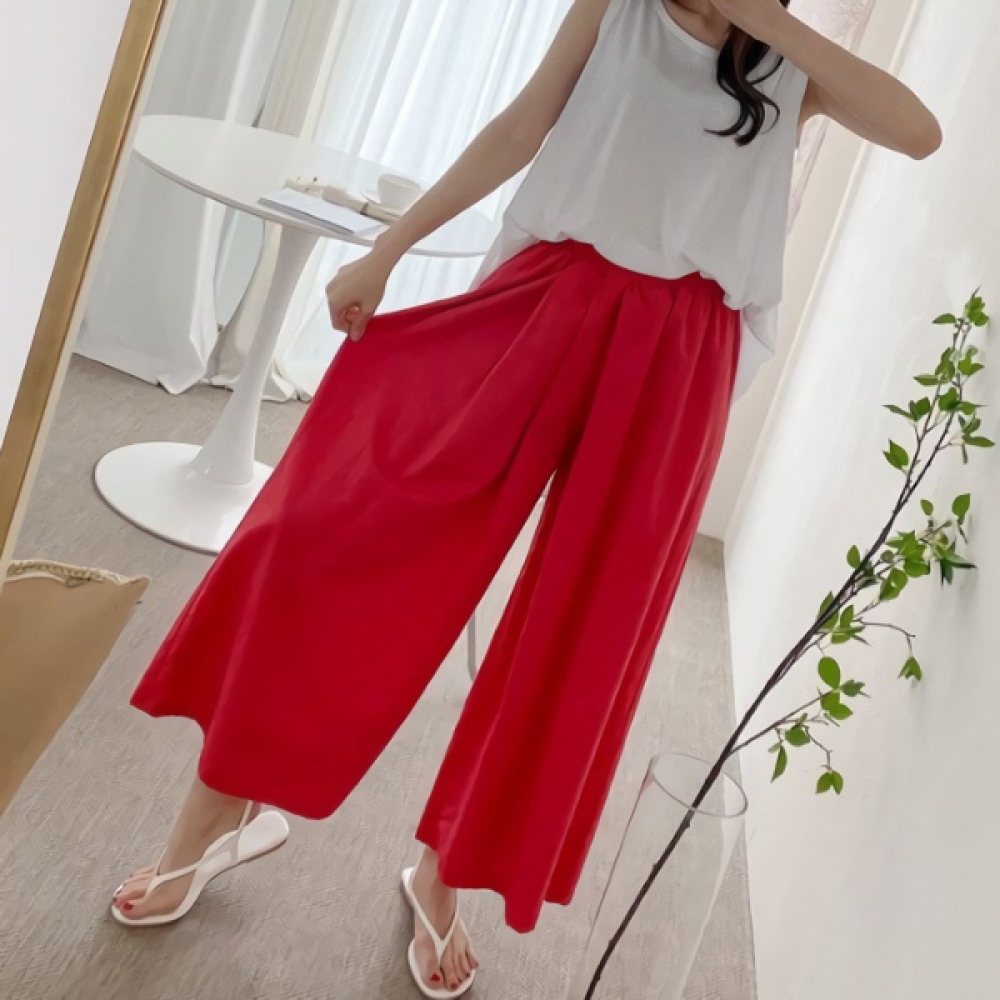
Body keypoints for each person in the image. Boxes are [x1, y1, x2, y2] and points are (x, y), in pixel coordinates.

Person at [110, 0, 941, 996]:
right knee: (333, 530)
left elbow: (918, 132)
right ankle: (218, 815)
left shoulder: (792, 67)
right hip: (551, 295)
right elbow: (518, 128)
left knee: (582, 631)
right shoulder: (619, 7)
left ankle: (445, 871)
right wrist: (388, 249)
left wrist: (770, 24)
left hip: (683, 352)